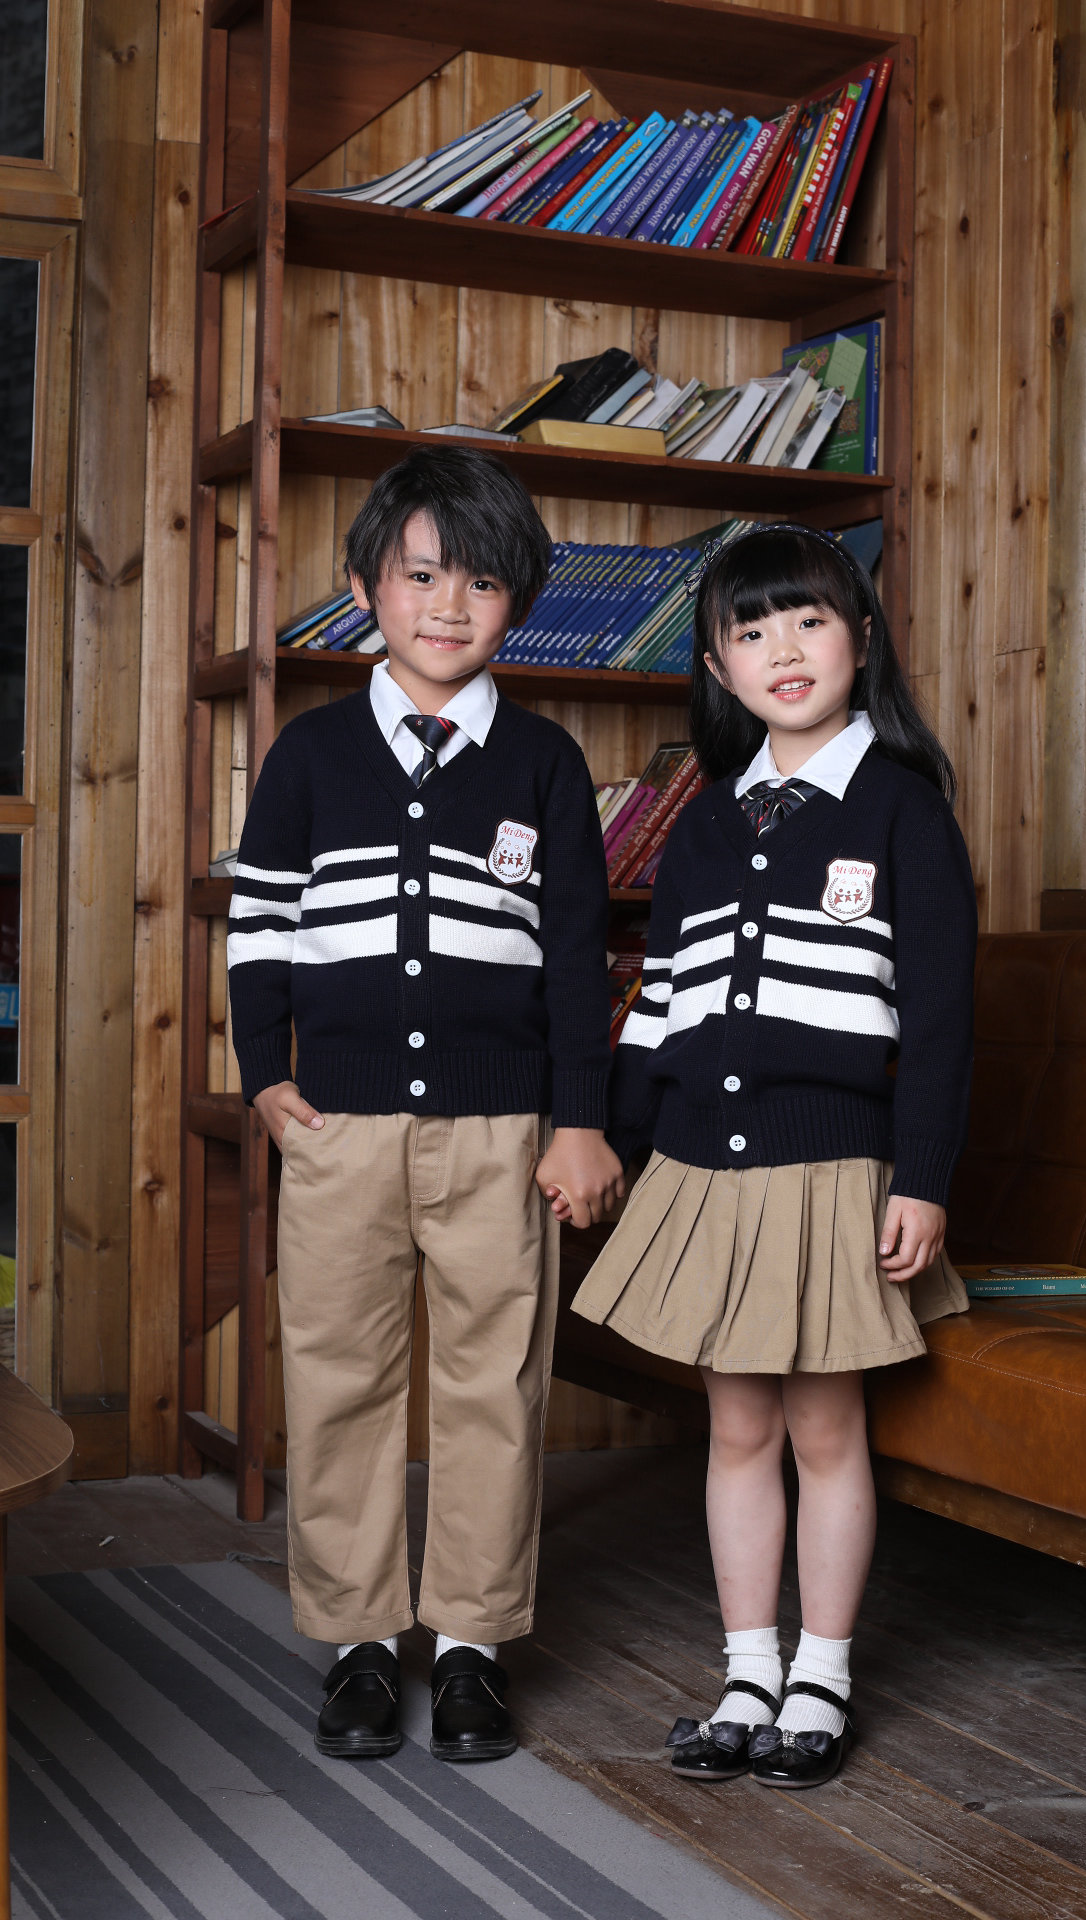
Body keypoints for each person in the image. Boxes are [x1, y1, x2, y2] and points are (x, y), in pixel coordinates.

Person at [227, 445, 623, 1764]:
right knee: (337, 1374)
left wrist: (578, 1118)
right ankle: (355, 1642)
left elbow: (575, 957)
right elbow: (261, 929)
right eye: (420, 575)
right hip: (337, 1128)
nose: (449, 605)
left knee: (491, 1384)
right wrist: (265, 1074)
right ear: (364, 589)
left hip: (500, 1132)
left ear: (519, 604)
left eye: (482, 583)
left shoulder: (545, 765)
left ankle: (468, 1646)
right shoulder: (309, 755)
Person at [573, 522, 977, 1790]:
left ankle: (822, 1677)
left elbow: (942, 1021)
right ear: (717, 667)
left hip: (830, 1172)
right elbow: (663, 1006)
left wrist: (921, 1180)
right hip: (704, 1171)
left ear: (859, 639)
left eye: (807, 620)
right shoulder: (701, 826)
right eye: (750, 631)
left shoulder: (902, 811)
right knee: (736, 1429)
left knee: (823, 1430)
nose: (782, 649)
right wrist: (615, 1145)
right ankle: (747, 1670)